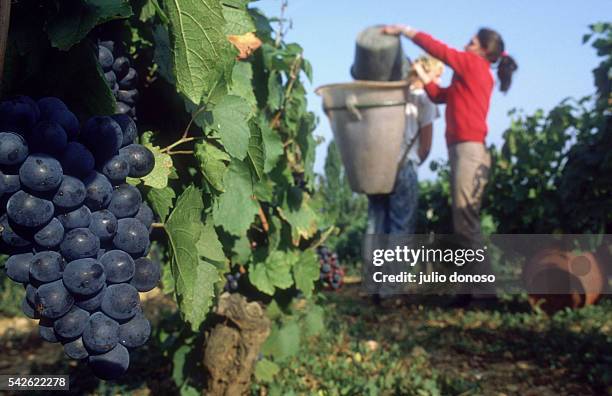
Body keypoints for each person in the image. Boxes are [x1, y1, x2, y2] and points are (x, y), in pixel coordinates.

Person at [382, 25, 518, 253]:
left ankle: (484, 289)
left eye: (472, 43)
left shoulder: (473, 64)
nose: (466, 45)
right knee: (463, 222)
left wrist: (404, 30)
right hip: (465, 150)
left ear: (483, 51)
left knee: (466, 224)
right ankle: (468, 289)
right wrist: (423, 75)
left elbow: (439, 50)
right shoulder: (471, 75)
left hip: (468, 151)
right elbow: (437, 96)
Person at [366, 55, 443, 236]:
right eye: (437, 75)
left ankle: (372, 264)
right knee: (401, 227)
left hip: (378, 167)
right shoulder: (425, 99)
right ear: (424, 73)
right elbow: (425, 146)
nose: (439, 81)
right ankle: (395, 265)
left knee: (375, 226)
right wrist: (412, 163)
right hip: (404, 165)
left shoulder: (383, 98)